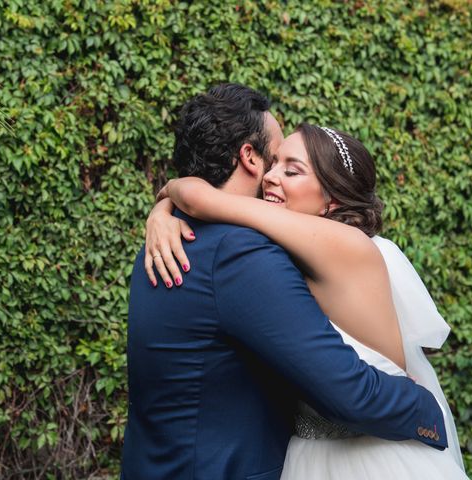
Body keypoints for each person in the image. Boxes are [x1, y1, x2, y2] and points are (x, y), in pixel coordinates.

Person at [121, 83, 448, 480]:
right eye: (275, 160)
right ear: (249, 157)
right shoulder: (241, 254)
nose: (276, 176)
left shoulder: (166, 241)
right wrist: (424, 406)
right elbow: (349, 393)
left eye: (291, 169)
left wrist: (166, 201)